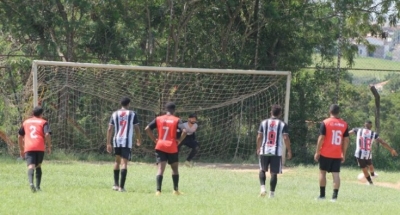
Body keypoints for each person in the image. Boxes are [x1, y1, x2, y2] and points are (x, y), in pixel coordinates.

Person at [145, 102, 187, 196]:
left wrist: (154, 139)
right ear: (174, 110)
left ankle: (158, 191)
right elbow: (185, 131)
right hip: (172, 146)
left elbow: (147, 128)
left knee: (160, 169)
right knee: (175, 168)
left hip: (160, 145)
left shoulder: (158, 118)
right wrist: (179, 140)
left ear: (165, 110)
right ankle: (176, 190)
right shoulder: (177, 120)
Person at [314, 104, 349, 202]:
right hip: (337, 154)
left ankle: (322, 196)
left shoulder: (325, 122)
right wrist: (343, 153)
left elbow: (321, 138)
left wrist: (317, 152)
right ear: (339, 112)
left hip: (325, 153)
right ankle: (334, 198)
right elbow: (346, 141)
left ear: (330, 111)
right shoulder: (344, 124)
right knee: (336, 175)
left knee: (322, 172)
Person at [106, 97, 142, 192]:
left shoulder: (114, 114)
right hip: (126, 141)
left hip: (116, 140)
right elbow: (137, 128)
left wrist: (108, 143)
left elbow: (110, 129)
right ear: (128, 104)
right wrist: (138, 139)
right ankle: (121, 187)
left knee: (117, 161)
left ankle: (115, 185)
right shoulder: (132, 113)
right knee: (124, 163)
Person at [256, 104, 292, 198]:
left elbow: (259, 136)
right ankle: (272, 194)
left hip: (265, 149)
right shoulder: (282, 124)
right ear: (280, 114)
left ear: (271, 112)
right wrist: (289, 150)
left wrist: (258, 147)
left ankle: (263, 188)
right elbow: (285, 137)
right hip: (276, 152)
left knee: (262, 169)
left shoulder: (264, 123)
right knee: (274, 172)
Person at [349, 120, 398, 184]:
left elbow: (348, 133)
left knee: (364, 168)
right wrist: (391, 149)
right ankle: (372, 175)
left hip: (359, 153)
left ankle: (370, 182)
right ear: (371, 126)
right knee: (370, 164)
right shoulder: (373, 133)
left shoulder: (358, 130)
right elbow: (382, 142)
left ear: (364, 125)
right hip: (368, 153)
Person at [18, 106, 52, 193]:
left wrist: (21, 149)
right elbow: (47, 134)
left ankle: (30, 183)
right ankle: (38, 187)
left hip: (28, 147)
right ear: (41, 114)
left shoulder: (26, 122)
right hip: (39, 146)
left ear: (33, 113)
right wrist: (49, 146)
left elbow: (19, 136)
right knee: (38, 166)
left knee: (31, 166)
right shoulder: (44, 122)